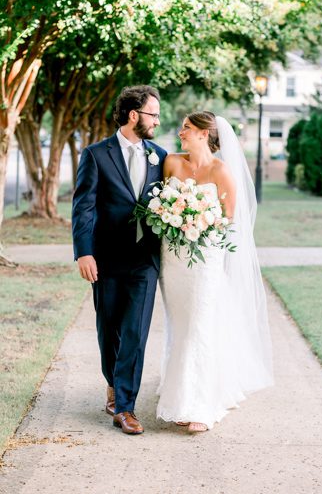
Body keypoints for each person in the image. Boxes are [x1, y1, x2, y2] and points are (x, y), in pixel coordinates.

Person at [156, 111, 273, 432]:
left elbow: (229, 221)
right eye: (183, 128)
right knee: (180, 325)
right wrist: (174, 218)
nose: (181, 132)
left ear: (204, 134)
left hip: (205, 258)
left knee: (199, 326)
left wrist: (199, 222)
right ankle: (179, 392)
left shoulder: (222, 171)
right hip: (174, 257)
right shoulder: (172, 164)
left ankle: (200, 406)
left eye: (187, 128)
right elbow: (162, 203)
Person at [72, 85, 167, 435]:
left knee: (135, 332)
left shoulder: (161, 155)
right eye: (153, 114)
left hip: (145, 261)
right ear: (133, 115)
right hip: (106, 258)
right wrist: (84, 251)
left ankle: (125, 406)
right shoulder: (96, 154)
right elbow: (83, 207)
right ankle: (112, 382)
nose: (157, 120)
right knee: (108, 328)